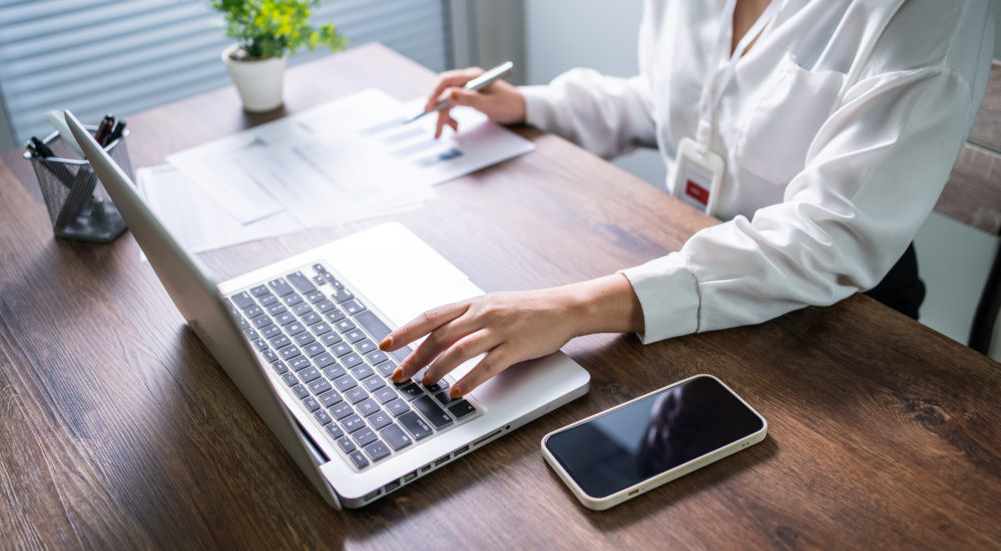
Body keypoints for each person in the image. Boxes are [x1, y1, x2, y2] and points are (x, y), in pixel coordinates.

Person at [379, 0, 996, 398]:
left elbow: (828, 236)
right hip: (675, 266)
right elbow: (674, 100)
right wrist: (533, 105)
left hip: (832, 316)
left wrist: (572, 307)